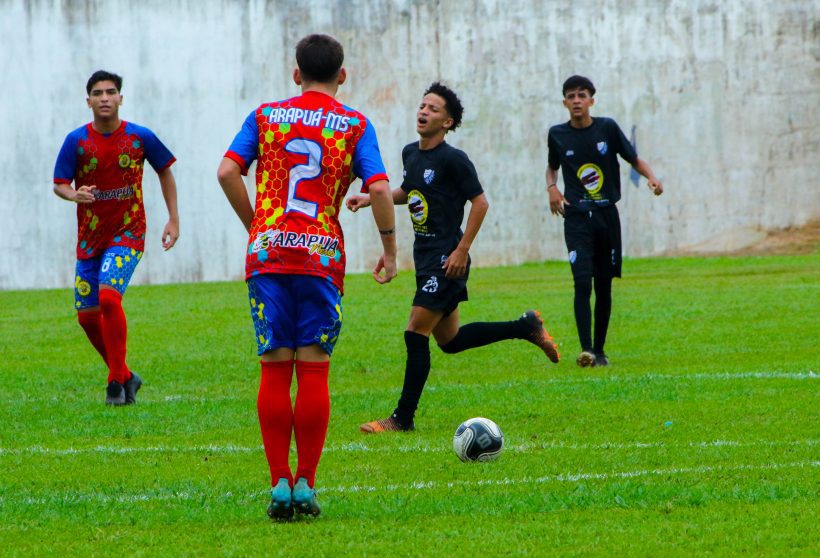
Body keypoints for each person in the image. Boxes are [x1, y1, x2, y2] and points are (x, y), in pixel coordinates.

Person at [217, 33, 398, 520]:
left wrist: (258, 223)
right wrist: (389, 250)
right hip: (320, 255)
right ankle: (307, 486)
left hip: (269, 252)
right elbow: (379, 188)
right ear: (342, 76)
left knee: (275, 366)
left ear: (296, 74)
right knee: (314, 367)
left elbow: (227, 172)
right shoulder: (354, 125)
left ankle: (279, 483)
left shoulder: (265, 116)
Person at [349, 82, 560, 435]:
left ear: (447, 122)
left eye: (433, 109)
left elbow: (480, 202)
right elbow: (411, 191)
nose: (424, 112)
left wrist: (462, 250)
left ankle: (402, 419)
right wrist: (373, 198)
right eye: (422, 105)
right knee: (450, 341)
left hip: (447, 258)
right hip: (425, 255)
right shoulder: (410, 153)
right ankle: (525, 326)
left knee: (415, 331)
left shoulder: (453, 159)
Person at [53, 70, 179, 405]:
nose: (105, 98)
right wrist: (73, 195)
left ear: (121, 98)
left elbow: (165, 171)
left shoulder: (140, 137)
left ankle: (114, 383)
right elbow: (59, 183)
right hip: (90, 239)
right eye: (98, 93)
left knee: (109, 298)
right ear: (88, 101)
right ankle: (125, 376)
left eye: (111, 92)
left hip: (129, 232)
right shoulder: (76, 141)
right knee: (86, 316)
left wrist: (173, 220)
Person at [545, 75, 663, 367]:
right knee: (582, 282)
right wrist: (552, 189)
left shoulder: (607, 128)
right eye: (571, 96)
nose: (576, 101)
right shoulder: (557, 134)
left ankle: (600, 350)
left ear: (591, 100)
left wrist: (652, 178)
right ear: (564, 102)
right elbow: (552, 168)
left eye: (581, 95)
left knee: (604, 285)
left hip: (606, 216)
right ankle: (586, 350)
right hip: (576, 218)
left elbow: (633, 159)